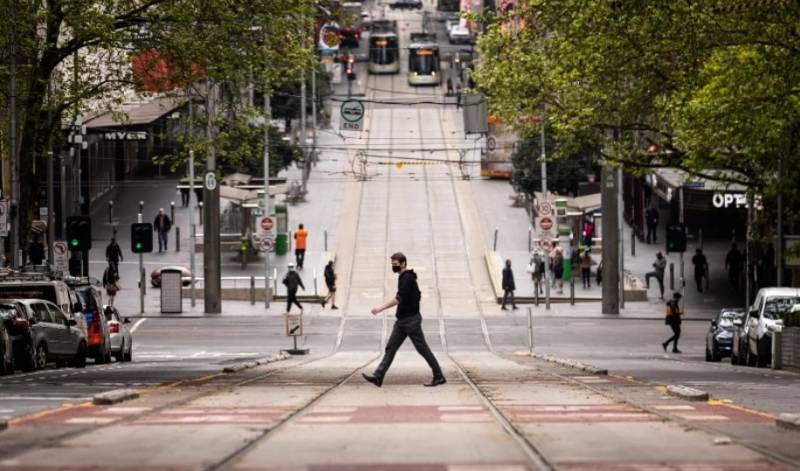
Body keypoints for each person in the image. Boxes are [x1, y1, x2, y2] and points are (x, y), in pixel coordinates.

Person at [363, 252, 446, 388]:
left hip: (411, 321)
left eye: (395, 264)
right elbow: (416, 296)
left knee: (422, 349)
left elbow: (399, 298)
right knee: (391, 347)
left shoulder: (407, 278)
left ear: (403, 263)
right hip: (402, 321)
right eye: (392, 264)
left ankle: (439, 376)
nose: (393, 267)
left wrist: (380, 308)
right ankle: (378, 376)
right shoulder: (404, 277)